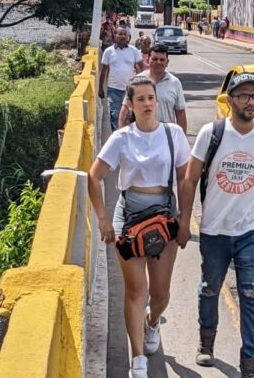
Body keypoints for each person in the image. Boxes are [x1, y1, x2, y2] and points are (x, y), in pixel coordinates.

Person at [88, 76, 190, 378]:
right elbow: (94, 176)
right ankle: (138, 359)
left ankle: (153, 322)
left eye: (150, 98)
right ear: (130, 105)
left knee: (159, 293)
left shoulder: (173, 135)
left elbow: (185, 179)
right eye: (140, 99)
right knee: (136, 291)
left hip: (163, 216)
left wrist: (185, 219)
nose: (146, 104)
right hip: (129, 215)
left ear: (156, 101)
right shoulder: (122, 138)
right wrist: (104, 219)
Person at [177, 73, 254, 378]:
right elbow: (191, 178)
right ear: (230, 100)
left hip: (251, 230)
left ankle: (250, 361)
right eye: (244, 96)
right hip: (215, 229)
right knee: (210, 289)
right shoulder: (212, 133)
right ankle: (206, 342)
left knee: (252, 294)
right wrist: (185, 220)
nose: (251, 102)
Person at [120, 44, 187, 133]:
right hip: (140, 136)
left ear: (167, 62)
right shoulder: (137, 81)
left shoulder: (175, 83)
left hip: (166, 137)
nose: (158, 62)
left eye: (162, 60)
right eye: (154, 59)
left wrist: (181, 140)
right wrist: (122, 136)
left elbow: (180, 113)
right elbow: (125, 110)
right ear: (148, 60)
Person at [99, 27, 145, 131]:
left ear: (128, 37)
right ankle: (118, 137)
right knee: (115, 115)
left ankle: (131, 136)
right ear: (115, 36)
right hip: (113, 89)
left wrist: (142, 82)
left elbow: (142, 66)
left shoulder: (134, 51)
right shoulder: (109, 51)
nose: (122, 36)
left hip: (131, 90)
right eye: (120, 34)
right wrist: (100, 88)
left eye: (125, 34)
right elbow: (104, 70)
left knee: (132, 115)